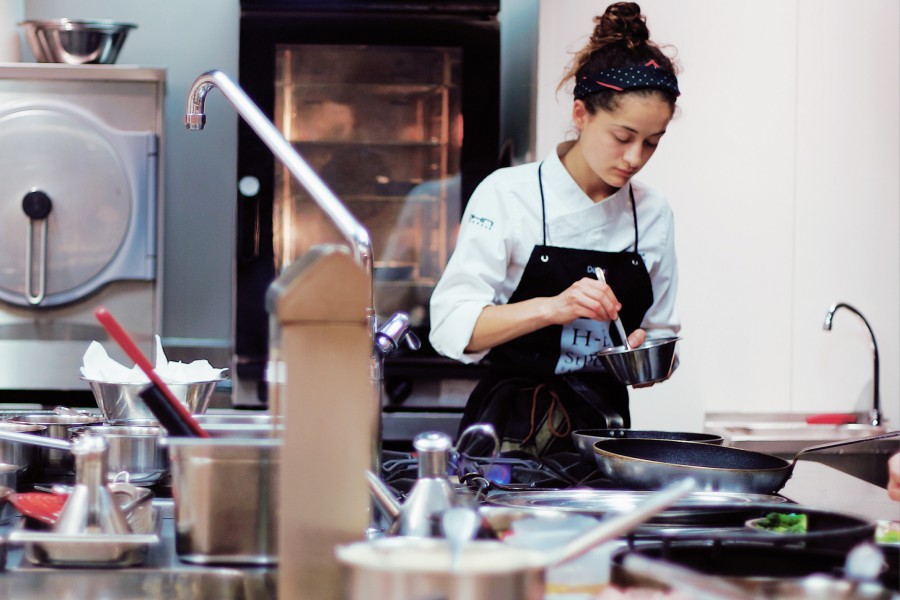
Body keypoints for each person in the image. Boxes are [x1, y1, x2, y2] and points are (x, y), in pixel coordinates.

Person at [429, 2, 682, 456]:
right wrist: (552, 308)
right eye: (622, 137)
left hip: (604, 438)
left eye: (652, 142)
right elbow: (450, 327)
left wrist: (646, 357)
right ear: (581, 114)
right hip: (506, 436)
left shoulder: (653, 213)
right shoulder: (509, 195)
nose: (634, 158)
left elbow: (662, 336)